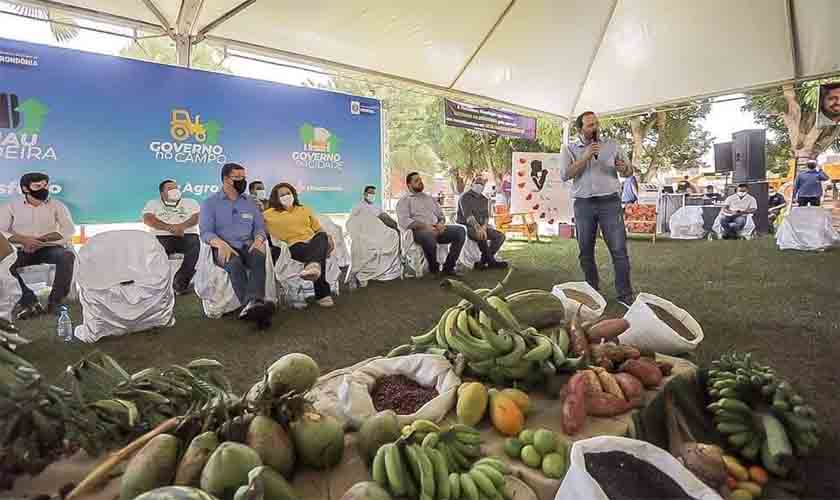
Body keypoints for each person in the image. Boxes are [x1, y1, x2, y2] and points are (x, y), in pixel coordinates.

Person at [560, 111, 634, 306]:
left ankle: (625, 295)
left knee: (618, 249)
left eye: (596, 124)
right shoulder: (569, 148)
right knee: (585, 250)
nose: (595, 128)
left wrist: (623, 168)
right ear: (580, 129)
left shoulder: (612, 145)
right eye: (590, 125)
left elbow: (629, 170)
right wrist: (585, 157)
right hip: (584, 204)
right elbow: (565, 174)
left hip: (610, 202)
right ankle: (593, 291)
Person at [199, 163, 271, 323]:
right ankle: (254, 306)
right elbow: (205, 232)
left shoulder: (250, 202)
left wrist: (259, 239)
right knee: (235, 263)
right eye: (238, 178)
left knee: (259, 258)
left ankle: (252, 303)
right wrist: (220, 244)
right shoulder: (210, 203)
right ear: (226, 179)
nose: (242, 182)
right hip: (223, 246)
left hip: (248, 244)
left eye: (244, 178)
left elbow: (260, 227)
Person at [0, 172, 76, 319]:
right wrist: (24, 240)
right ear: (25, 189)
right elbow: (1, 232)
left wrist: (41, 242)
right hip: (20, 250)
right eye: (37, 186)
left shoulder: (57, 205)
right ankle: (29, 302)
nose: (43, 188)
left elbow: (68, 230)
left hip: (49, 248)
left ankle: (56, 303)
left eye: (45, 185)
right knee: (3, 263)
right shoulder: (11, 206)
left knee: (67, 256)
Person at [263, 183, 335, 308]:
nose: (286, 196)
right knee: (317, 254)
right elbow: (259, 229)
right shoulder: (268, 214)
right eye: (282, 194)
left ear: (293, 194)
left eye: (288, 193)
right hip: (293, 247)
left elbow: (319, 230)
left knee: (322, 236)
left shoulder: (305, 209)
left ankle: (313, 267)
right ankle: (322, 293)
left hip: (313, 242)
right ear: (276, 198)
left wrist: (329, 238)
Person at [397, 172, 465, 277]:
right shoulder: (404, 200)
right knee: (428, 236)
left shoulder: (429, 198)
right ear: (409, 185)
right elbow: (404, 221)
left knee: (460, 231)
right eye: (416, 181)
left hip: (437, 228)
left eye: (420, 180)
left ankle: (449, 267)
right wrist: (425, 226)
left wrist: (441, 223)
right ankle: (434, 269)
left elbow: (441, 215)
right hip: (419, 231)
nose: (420, 182)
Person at [142, 179, 201, 295]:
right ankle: (156, 286)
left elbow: (196, 217)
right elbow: (148, 219)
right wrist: (170, 228)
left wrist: (181, 226)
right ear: (162, 193)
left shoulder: (190, 202)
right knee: (155, 251)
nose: (174, 191)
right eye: (170, 189)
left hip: (186, 235)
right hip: (161, 236)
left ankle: (180, 284)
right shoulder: (153, 203)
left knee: (195, 245)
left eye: (176, 188)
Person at [456, 176, 507, 270]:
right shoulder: (464, 197)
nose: (480, 185)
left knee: (500, 236)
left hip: (481, 226)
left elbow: (486, 216)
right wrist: (478, 228)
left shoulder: (484, 199)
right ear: (472, 184)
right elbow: (468, 217)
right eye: (477, 183)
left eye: (482, 184)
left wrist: (483, 227)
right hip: (466, 226)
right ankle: (492, 262)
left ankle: (484, 261)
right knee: (481, 235)